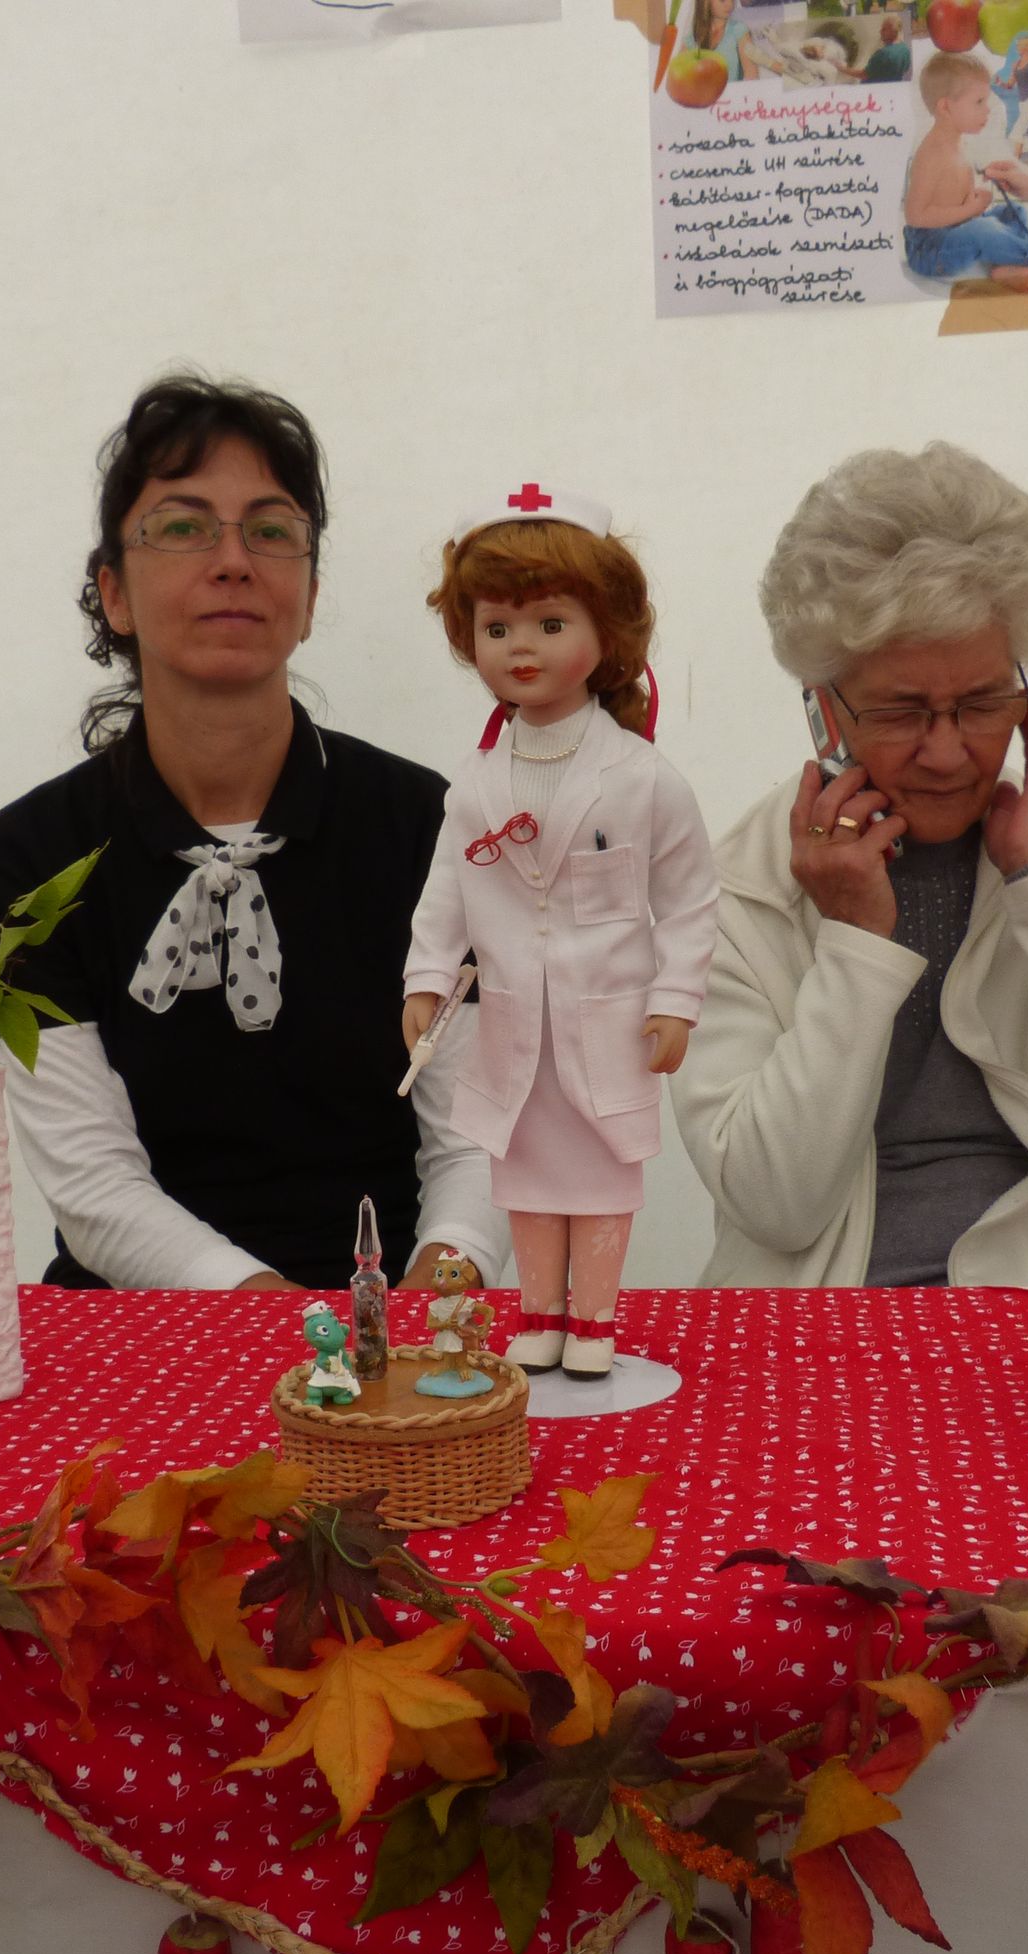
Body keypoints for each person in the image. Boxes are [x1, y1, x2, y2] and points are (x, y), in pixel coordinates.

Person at [0, 376, 506, 1294]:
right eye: (182, 527)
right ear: (113, 593)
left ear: (309, 592)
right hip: (140, 1324)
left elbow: (475, 1137)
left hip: (398, 1306)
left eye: (270, 530)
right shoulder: (25, 858)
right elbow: (93, 1185)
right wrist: (278, 1325)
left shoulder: (430, 825)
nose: (232, 561)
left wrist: (429, 1298)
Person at [669, 443, 1028, 1290]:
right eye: (902, 712)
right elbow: (775, 1204)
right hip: (812, 1330)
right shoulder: (736, 890)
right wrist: (856, 938)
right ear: (824, 714)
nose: (946, 752)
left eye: (981, 704)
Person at [401, 491, 717, 1378]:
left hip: (607, 1021)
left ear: (605, 633)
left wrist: (675, 1001)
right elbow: (445, 892)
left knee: (604, 1173)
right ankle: (540, 1314)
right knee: (525, 1172)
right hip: (511, 1024)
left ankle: (596, 1323)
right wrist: (426, 979)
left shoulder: (642, 777)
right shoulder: (476, 783)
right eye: (497, 628)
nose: (522, 647)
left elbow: (689, 899)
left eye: (549, 623)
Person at [901, 53, 1028, 290]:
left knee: (1013, 212)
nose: (987, 110)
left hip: (959, 228)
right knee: (984, 230)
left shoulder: (959, 141)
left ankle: (1006, 265)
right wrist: (970, 209)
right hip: (930, 248)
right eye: (979, 102)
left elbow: (954, 190)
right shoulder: (931, 154)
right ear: (945, 107)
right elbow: (915, 216)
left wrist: (982, 182)